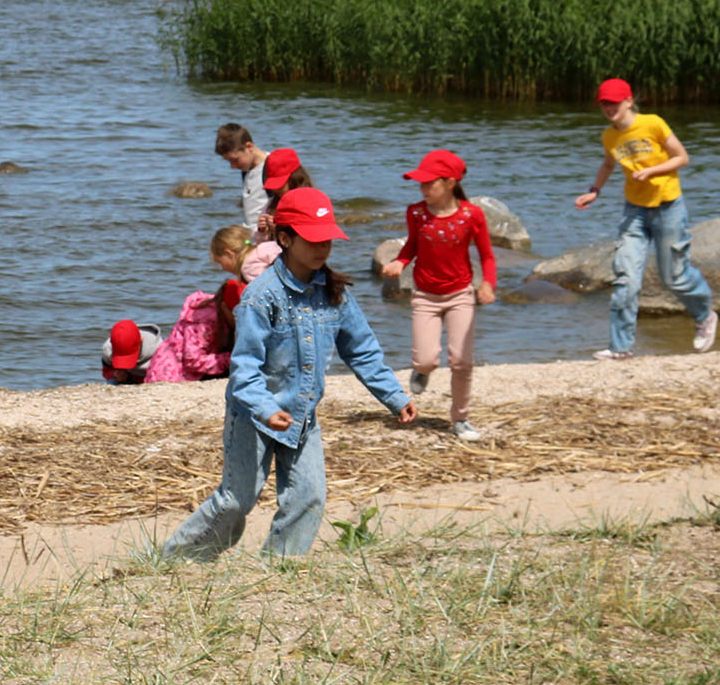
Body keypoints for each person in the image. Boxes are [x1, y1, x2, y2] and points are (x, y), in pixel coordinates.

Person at [163, 187, 418, 560]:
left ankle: (279, 566)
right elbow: (244, 367)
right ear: (285, 238)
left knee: (309, 496)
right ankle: (177, 560)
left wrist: (394, 396)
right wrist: (265, 409)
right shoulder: (260, 297)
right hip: (254, 415)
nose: (323, 248)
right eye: (313, 240)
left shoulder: (335, 293)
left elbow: (362, 350)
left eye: (328, 239)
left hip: (301, 416)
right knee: (237, 499)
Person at [574, 78, 718, 360]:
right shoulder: (610, 137)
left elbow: (682, 157)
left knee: (674, 276)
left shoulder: (653, 123)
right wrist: (594, 191)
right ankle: (620, 348)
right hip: (635, 210)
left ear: (629, 101)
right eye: (604, 103)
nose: (609, 108)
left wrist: (652, 172)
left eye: (614, 102)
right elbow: (607, 164)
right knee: (626, 277)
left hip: (668, 207)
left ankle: (704, 316)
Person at [380, 149, 495, 441]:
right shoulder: (416, 213)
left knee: (461, 361)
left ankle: (461, 419)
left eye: (428, 183)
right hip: (425, 297)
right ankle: (422, 371)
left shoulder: (472, 215)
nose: (422, 189)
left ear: (450, 183)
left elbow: (487, 256)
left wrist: (488, 285)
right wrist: (399, 262)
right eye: (420, 183)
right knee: (427, 359)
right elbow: (411, 248)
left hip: (460, 295)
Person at [143, 281, 245, 383]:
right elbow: (193, 361)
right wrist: (230, 359)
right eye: (237, 316)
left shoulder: (226, 314)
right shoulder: (203, 320)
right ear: (224, 306)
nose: (242, 321)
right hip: (172, 372)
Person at [215, 123, 269, 231]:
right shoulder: (247, 169)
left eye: (235, 160)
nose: (233, 166)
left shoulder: (272, 168)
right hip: (253, 236)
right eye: (229, 161)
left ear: (249, 146)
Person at [256, 148, 312, 240]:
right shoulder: (271, 204)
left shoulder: (308, 203)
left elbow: (306, 240)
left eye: (280, 185)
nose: (276, 189)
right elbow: (259, 241)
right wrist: (262, 230)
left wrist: (278, 230)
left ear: (295, 178)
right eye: (273, 185)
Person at [210, 222, 281, 283]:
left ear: (228, 254)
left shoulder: (249, 268)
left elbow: (265, 290)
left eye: (220, 262)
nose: (223, 268)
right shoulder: (264, 246)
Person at [101, 318, 163, 384]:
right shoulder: (108, 351)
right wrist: (114, 374)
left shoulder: (157, 349)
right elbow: (106, 371)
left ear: (141, 341)